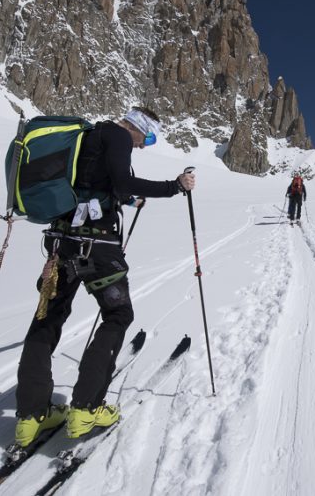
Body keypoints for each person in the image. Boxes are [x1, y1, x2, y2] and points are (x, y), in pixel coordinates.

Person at [13, 107, 195, 448]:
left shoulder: (90, 137)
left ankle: (30, 416)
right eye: (149, 137)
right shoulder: (118, 136)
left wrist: (125, 199)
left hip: (60, 245)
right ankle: (86, 408)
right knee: (118, 315)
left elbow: (95, 185)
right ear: (139, 126)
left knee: (46, 318)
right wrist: (175, 186)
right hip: (96, 249)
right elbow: (122, 180)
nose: (143, 145)